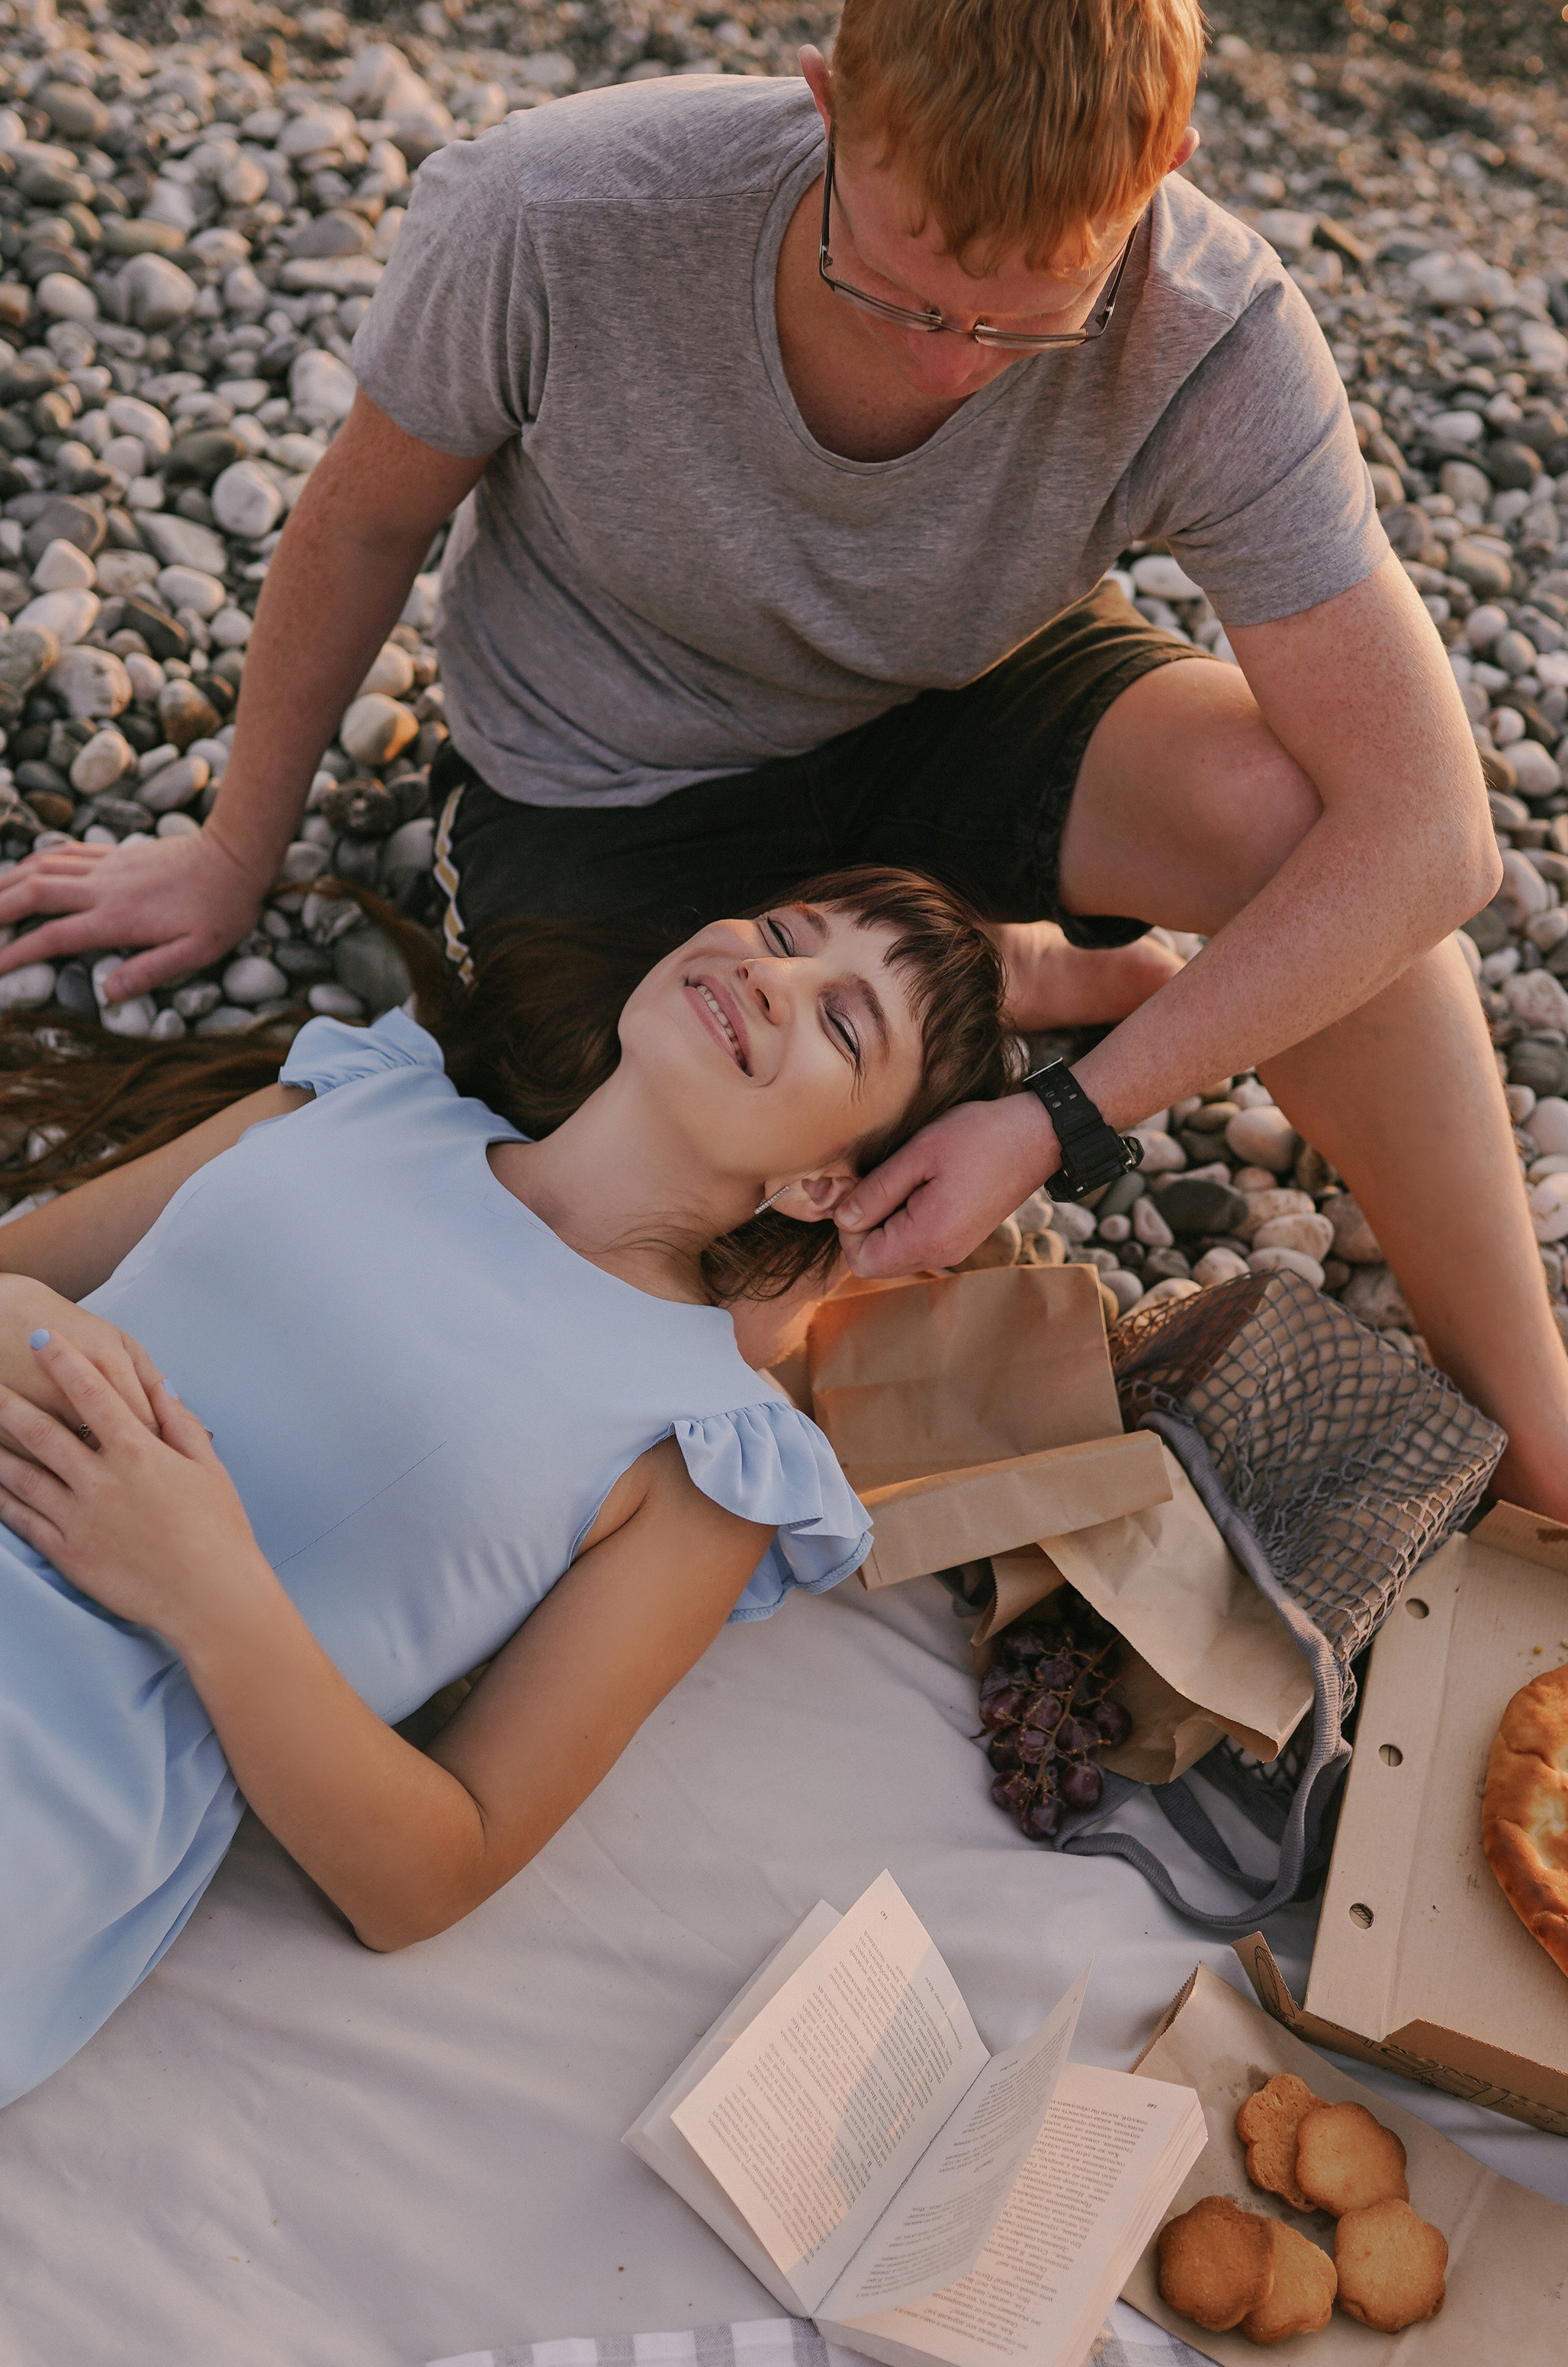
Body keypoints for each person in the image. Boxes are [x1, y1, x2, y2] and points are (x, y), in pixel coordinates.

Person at [0, 0, 1568, 1587]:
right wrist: (232, 852)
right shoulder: (558, 213)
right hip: (611, 771)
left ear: (1161, 173)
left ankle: (1537, 1418)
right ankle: (1013, 966)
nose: (953, 361)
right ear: (827, 105)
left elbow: (1427, 833)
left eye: (1029, 309)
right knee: (655, 1221)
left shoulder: (1212, 325)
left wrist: (1064, 1118)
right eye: (903, 282)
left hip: (954, 698)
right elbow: (363, 515)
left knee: (1300, 828)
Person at [0, 867, 1009, 2105]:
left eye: (845, 1023)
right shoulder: (350, 1103)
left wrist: (210, 1590)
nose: (772, 975)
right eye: (784, 932)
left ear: (820, 1187)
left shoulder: (703, 1457)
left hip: (50, 1770)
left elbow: (430, 1877)